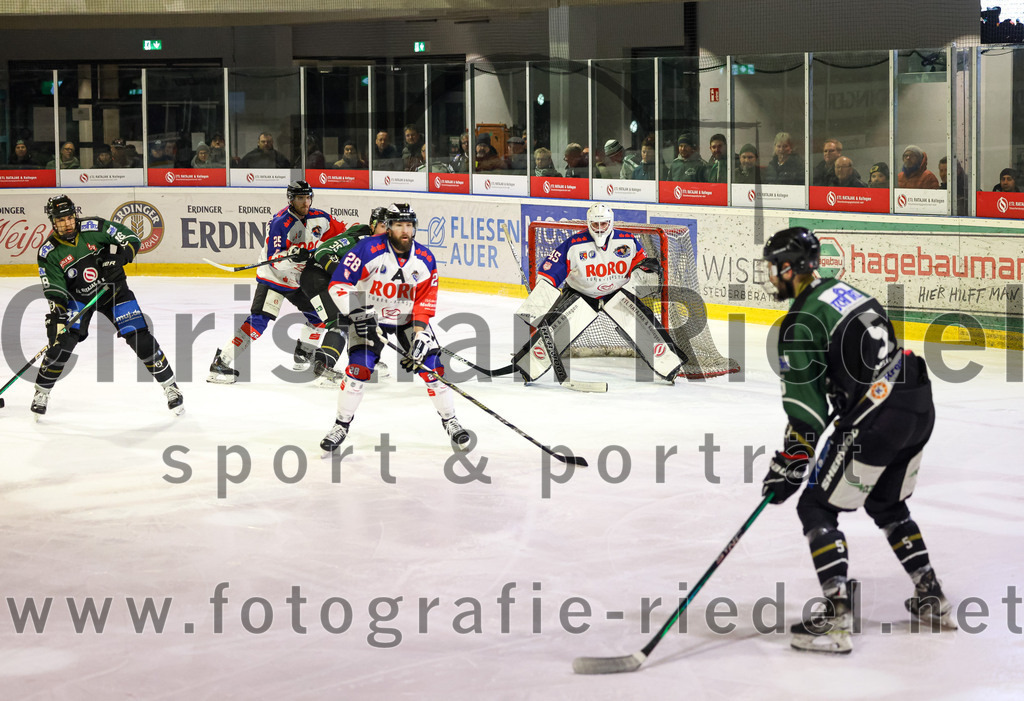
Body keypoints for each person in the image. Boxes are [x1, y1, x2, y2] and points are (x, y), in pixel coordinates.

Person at [759, 226, 956, 655]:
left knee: (815, 505)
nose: (770, 276)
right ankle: (932, 598)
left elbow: (807, 418)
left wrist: (788, 467)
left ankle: (836, 620)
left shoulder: (801, 323)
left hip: (879, 418)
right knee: (886, 503)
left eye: (774, 268)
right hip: (917, 401)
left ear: (791, 268)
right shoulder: (845, 291)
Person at [318, 203, 472, 453]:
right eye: (399, 225)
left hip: (408, 318)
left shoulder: (425, 258)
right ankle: (341, 425)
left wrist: (421, 333)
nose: (405, 231)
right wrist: (359, 311)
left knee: (433, 369)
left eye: (409, 225)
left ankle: (450, 420)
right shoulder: (368, 249)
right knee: (357, 369)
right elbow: (339, 283)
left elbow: (424, 299)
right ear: (388, 228)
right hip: (369, 315)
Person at [33, 195, 183, 418]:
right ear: (53, 221)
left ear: (75, 215)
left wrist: (120, 258)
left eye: (69, 217)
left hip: (113, 290)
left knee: (139, 336)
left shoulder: (94, 227)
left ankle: (170, 387)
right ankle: (41, 391)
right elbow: (55, 290)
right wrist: (58, 314)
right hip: (80, 298)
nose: (67, 223)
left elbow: (131, 238)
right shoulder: (48, 252)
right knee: (61, 341)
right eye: (60, 220)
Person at [514, 203, 686, 384]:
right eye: (595, 225)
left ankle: (670, 366)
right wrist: (541, 297)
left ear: (610, 223)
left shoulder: (627, 240)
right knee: (554, 330)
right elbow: (549, 272)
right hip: (582, 294)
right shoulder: (574, 245)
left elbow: (641, 263)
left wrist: (645, 271)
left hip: (616, 292)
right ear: (589, 223)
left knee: (644, 325)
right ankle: (528, 367)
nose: (599, 229)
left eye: (603, 224)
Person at [207, 181, 347, 384]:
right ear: (291, 200)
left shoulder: (320, 218)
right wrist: (292, 255)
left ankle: (303, 353)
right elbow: (275, 258)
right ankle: (221, 362)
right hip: (274, 278)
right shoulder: (280, 222)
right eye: (300, 198)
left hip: (299, 280)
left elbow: (340, 235)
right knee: (258, 323)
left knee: (318, 316)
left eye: (308, 197)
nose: (305, 202)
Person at [301, 207, 392, 387]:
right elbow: (322, 251)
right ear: (373, 225)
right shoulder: (360, 238)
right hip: (317, 278)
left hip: (337, 284)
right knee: (340, 321)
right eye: (383, 226)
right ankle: (323, 366)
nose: (387, 231)